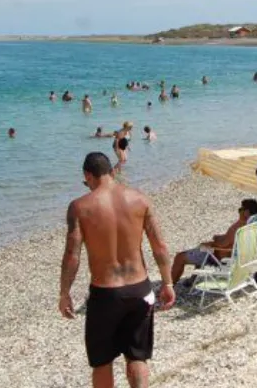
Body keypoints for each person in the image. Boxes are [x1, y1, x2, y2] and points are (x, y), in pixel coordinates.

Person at [59, 152, 175, 388]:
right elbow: (159, 246)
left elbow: (72, 255)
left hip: (105, 293)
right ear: (112, 172)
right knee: (137, 355)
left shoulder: (80, 207)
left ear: (87, 175)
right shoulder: (140, 199)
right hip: (140, 289)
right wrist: (168, 283)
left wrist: (64, 292)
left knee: (102, 361)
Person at [170, 199, 257, 284]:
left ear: (246, 212)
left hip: (218, 257)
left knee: (180, 257)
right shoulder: (251, 226)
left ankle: (169, 286)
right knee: (201, 249)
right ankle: (192, 280)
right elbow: (231, 241)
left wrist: (210, 244)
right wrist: (220, 237)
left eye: (241, 209)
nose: (239, 211)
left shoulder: (238, 227)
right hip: (236, 258)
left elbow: (223, 245)